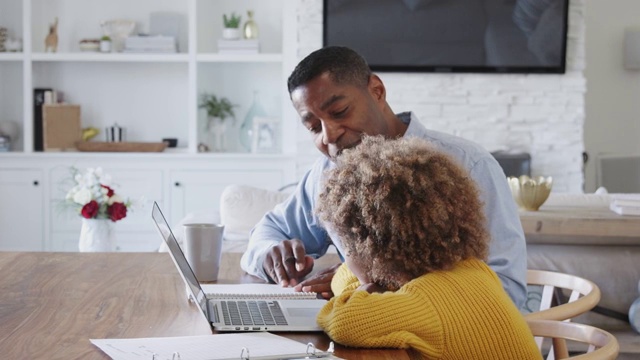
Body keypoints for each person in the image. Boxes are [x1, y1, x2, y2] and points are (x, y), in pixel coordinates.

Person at [240, 46, 527, 308]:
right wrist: (271, 256)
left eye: (339, 112)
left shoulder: (469, 165)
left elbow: (507, 291)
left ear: (377, 91)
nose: (329, 136)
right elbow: (268, 231)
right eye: (314, 127)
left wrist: (363, 285)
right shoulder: (327, 173)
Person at [314, 136, 540, 358]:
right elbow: (347, 274)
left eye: (347, 247)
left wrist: (362, 288)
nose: (347, 258)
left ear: (369, 249)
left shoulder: (422, 302)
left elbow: (344, 321)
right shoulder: (476, 271)